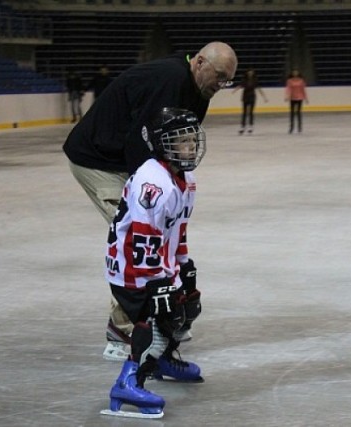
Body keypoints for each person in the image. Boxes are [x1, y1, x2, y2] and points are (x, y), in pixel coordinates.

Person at [63, 41, 237, 362]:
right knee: (137, 237)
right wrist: (151, 195)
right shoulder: (169, 81)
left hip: (122, 159)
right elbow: (141, 142)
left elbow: (178, 139)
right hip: (98, 160)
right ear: (199, 63)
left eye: (228, 81)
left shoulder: (198, 89)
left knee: (162, 232)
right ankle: (123, 326)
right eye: (220, 77)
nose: (222, 85)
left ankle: (166, 312)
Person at [101, 107, 205, 419]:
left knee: (187, 305)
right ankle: (128, 381)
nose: (190, 147)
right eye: (181, 141)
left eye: (191, 139)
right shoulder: (153, 181)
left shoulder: (186, 180)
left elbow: (177, 229)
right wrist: (159, 283)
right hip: (131, 267)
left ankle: (162, 360)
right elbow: (143, 238)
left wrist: (183, 267)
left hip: (156, 263)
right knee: (160, 316)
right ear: (162, 144)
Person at [232, 68, 267, 135]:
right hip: (245, 97)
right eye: (249, 72)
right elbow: (240, 85)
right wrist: (235, 90)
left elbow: (259, 88)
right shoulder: (244, 80)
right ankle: (242, 127)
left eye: (251, 72)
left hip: (252, 97)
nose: (250, 73)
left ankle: (251, 126)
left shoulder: (255, 80)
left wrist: (264, 97)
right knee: (244, 112)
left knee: (251, 112)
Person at [284, 69, 308, 134]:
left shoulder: (301, 81)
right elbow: (288, 89)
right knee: (292, 112)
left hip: (300, 97)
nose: (295, 73)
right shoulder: (289, 81)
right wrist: (287, 96)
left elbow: (303, 89)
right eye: (294, 72)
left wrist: (306, 98)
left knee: (298, 112)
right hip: (292, 97)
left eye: (296, 72)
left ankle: (299, 127)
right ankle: (291, 127)